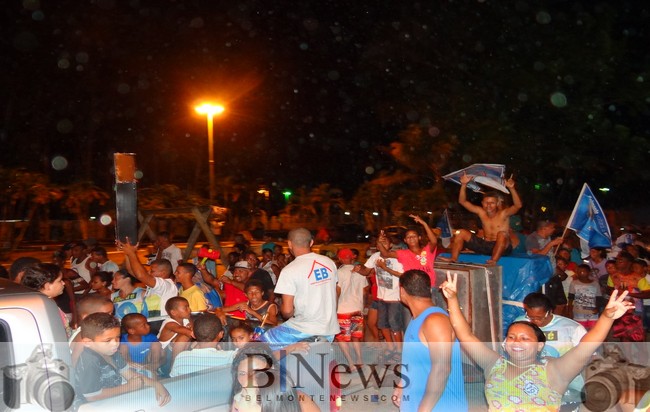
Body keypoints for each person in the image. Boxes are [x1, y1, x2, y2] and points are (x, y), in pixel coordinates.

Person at [441, 271, 634, 412]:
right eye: (512, 336)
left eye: (525, 338)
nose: (517, 341)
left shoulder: (554, 370)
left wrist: (607, 317)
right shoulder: (493, 364)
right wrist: (452, 300)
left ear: (540, 345)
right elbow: (466, 336)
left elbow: (586, 346)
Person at [392, 270, 467, 412]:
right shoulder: (417, 319)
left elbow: (442, 370)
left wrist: (423, 410)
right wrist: (402, 384)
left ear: (402, 291)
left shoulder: (435, 321)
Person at [261, 228, 339, 350]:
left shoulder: (289, 270)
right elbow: (335, 293)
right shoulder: (329, 262)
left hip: (304, 329)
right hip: (330, 328)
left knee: (262, 343)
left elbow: (287, 311)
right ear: (311, 242)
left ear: (289, 244)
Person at [74, 312, 170, 406]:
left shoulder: (112, 352)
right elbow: (92, 397)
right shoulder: (89, 362)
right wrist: (127, 387)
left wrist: (156, 384)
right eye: (108, 340)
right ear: (88, 342)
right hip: (95, 405)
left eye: (117, 337)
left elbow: (129, 374)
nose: (115, 343)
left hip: (115, 391)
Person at [446, 173, 522, 264]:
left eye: (492, 203)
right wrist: (463, 185)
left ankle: (493, 261)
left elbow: (518, 206)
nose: (488, 205)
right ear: (482, 203)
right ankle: (453, 259)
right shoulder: (481, 212)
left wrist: (512, 188)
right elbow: (462, 201)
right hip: (485, 245)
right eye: (486, 203)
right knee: (461, 232)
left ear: (497, 204)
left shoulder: (503, 214)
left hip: (502, 247)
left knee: (502, 234)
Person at [119, 240, 178, 317]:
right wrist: (127, 253)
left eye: (152, 271)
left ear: (163, 273)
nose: (149, 273)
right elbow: (131, 270)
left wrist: (131, 253)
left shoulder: (166, 285)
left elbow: (141, 275)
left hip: (160, 323)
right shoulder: (153, 284)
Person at [377, 214, 439, 286]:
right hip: (411, 287)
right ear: (405, 240)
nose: (411, 238)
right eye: (408, 237)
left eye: (414, 236)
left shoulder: (427, 250)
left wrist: (424, 224)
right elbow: (386, 254)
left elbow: (434, 241)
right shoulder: (402, 253)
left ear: (419, 238)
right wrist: (379, 242)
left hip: (428, 286)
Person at [169, 314, 235, 377]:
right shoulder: (230, 357)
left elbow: (173, 380)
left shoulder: (181, 358)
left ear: (193, 334)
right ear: (221, 334)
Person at [335, 248, 368, 370]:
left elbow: (337, 292)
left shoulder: (339, 272)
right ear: (352, 257)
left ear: (340, 258)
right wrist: (363, 306)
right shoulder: (361, 271)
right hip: (357, 308)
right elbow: (365, 291)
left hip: (343, 310)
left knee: (343, 338)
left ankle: (351, 363)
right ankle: (359, 359)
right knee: (355, 336)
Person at [21, 263, 70, 337]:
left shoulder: (39, 303)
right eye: (60, 281)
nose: (63, 283)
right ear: (47, 286)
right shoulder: (44, 308)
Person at [70, 295, 115, 366]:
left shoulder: (95, 332)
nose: (111, 317)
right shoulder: (82, 337)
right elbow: (74, 361)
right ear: (87, 317)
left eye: (111, 313)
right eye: (106, 314)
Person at [119, 313, 163, 378]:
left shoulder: (151, 337)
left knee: (156, 345)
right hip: (132, 366)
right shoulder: (123, 341)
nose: (148, 326)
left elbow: (162, 355)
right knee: (123, 347)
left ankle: (155, 367)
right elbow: (122, 359)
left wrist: (154, 364)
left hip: (148, 363)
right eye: (144, 325)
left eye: (147, 323)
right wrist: (132, 365)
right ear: (132, 331)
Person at [568, 264, 603, 330]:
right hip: (579, 312)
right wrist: (570, 310)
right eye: (579, 272)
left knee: (593, 331)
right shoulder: (574, 283)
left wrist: (597, 308)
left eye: (583, 271)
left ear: (589, 272)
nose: (581, 273)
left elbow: (599, 297)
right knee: (581, 331)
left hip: (592, 312)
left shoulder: (595, 283)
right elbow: (571, 297)